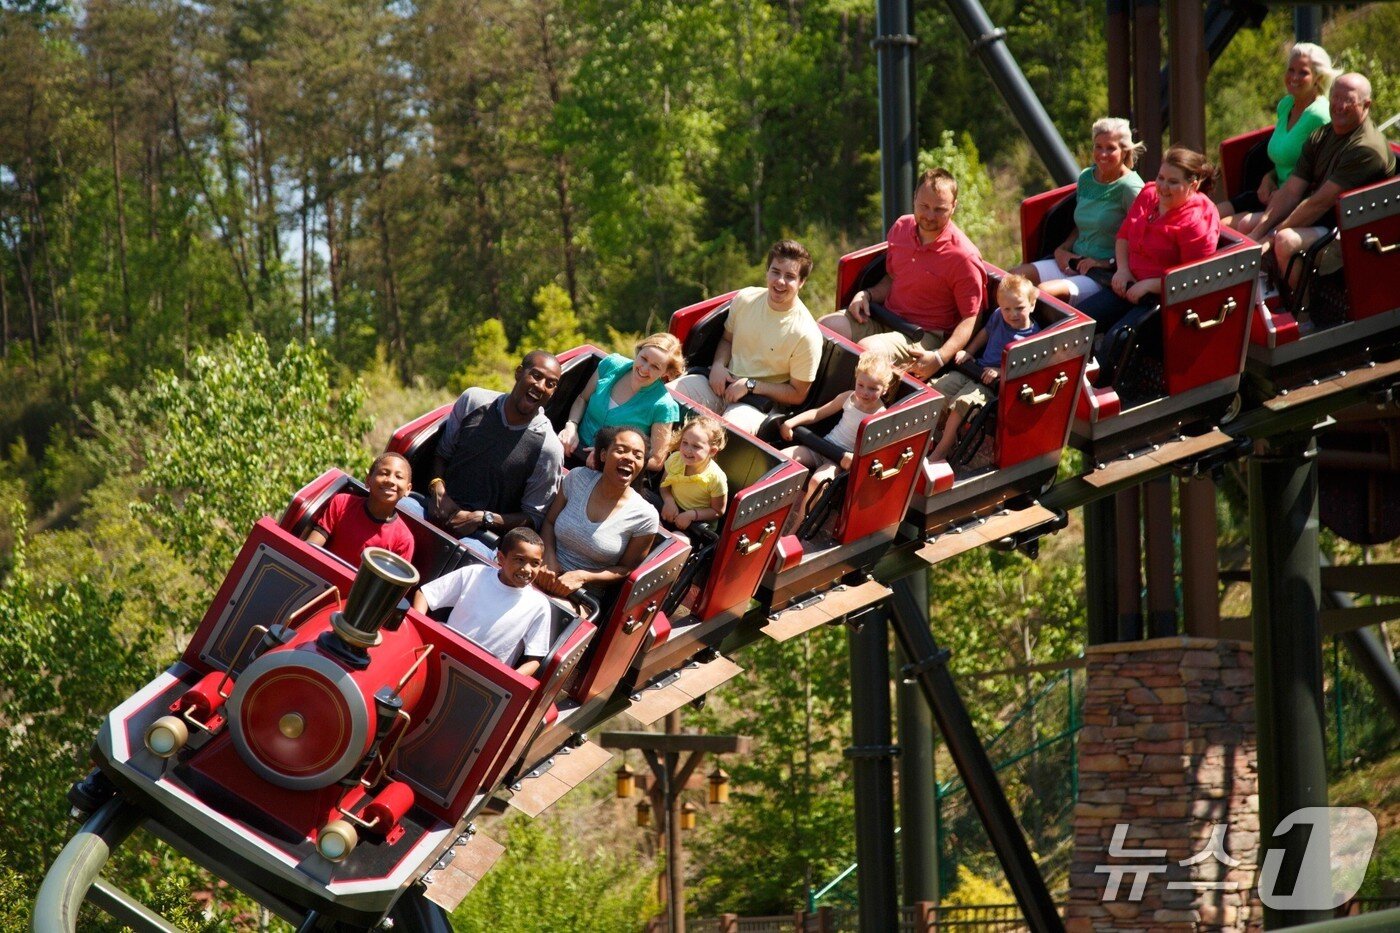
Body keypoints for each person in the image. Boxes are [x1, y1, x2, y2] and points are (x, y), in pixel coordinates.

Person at [819, 168, 986, 379]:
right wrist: (866, 295)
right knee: (825, 328)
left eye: (939, 209)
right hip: (887, 317)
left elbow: (972, 317)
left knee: (867, 352)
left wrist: (939, 357)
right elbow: (893, 277)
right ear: (914, 198)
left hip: (924, 335)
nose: (929, 216)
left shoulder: (964, 257)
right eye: (924, 206)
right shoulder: (901, 228)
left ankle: (847, 407)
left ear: (953, 207)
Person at [401, 351, 565, 552]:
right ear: (519, 373)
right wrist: (437, 488)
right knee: (401, 508)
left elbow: (533, 518)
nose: (540, 386)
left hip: (482, 539)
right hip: (435, 510)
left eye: (550, 384)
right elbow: (442, 453)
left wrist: (482, 519)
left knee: (470, 557)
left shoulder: (549, 448)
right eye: (536, 376)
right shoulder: (474, 401)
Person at [1248, 72, 1396, 290]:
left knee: (1285, 240)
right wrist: (1256, 235)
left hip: (1352, 233)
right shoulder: (1321, 135)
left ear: (1366, 105)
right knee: (1249, 225)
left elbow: (1320, 202)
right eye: (1335, 97)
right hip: (1323, 220)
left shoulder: (1365, 149)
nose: (1339, 105)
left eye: (1348, 100)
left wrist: (1272, 236)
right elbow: (1291, 191)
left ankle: (1303, 317)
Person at [669, 240, 822, 435]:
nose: (780, 281)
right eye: (775, 272)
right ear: (767, 272)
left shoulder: (806, 334)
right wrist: (718, 365)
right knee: (666, 398)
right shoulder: (746, 298)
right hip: (720, 383)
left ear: (801, 282)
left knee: (723, 434)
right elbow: (727, 339)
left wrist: (751, 386)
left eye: (790, 276)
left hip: (758, 404)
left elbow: (797, 394)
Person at [1077, 146, 1221, 332]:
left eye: (1173, 182)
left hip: (1163, 299)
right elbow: (1124, 236)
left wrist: (1150, 285)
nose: (1163, 187)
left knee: (1120, 337)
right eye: (1161, 178)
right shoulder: (1148, 194)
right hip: (1129, 282)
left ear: (1192, 186)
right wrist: (1122, 270)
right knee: (1081, 322)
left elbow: (1192, 279)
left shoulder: (1197, 222)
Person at [1012, 118, 1145, 306]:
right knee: (1012, 280)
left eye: (1111, 148)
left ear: (1125, 151)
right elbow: (1081, 225)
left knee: (1044, 295)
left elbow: (1141, 241)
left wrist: (1107, 263)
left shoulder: (1131, 189)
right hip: (1075, 260)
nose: (1103, 154)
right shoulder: (1086, 178)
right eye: (1098, 147)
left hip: (1102, 273)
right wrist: (1063, 249)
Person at [411, 527, 553, 677]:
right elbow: (425, 594)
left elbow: (535, 659)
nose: (527, 569)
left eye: (535, 563)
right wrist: (422, 633)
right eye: (519, 560)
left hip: (483, 678)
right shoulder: (474, 574)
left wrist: (507, 679)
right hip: (439, 653)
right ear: (501, 558)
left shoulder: (538, 605)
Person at [777, 352, 894, 534]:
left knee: (818, 481)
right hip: (824, 446)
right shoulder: (849, 397)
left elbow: (876, 452)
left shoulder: (880, 416)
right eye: (860, 385)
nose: (864, 392)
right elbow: (818, 413)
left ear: (884, 390)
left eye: (872, 389)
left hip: (839, 458)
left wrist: (854, 459)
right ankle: (776, 509)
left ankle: (796, 526)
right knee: (783, 459)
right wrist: (791, 422)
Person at [928, 275, 1042, 462]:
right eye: (1007, 309)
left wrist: (1000, 371)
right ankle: (936, 438)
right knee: (939, 388)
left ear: (1032, 304)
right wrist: (969, 352)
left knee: (962, 404)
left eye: (1019, 308)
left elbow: (1026, 368)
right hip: (976, 369)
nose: (1013, 314)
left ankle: (942, 450)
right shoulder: (999, 316)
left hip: (992, 385)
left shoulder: (1032, 337)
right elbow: (985, 333)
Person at [1221, 43, 1335, 230]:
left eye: (1303, 73)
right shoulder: (1286, 105)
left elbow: (1325, 176)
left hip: (1297, 202)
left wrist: (1286, 194)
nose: (1294, 78)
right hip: (1273, 192)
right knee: (1212, 216)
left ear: (1318, 78)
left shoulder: (1320, 116)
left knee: (1230, 227)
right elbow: (1285, 157)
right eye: (1291, 70)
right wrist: (1269, 177)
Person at [538, 425, 660, 598]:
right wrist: (547, 556)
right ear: (603, 455)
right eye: (621, 450)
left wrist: (584, 576)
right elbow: (549, 522)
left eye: (637, 455)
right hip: (543, 571)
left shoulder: (645, 516)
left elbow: (626, 569)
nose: (629, 458)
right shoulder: (577, 478)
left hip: (582, 595)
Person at [559, 333, 683, 472]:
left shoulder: (664, 406)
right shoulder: (611, 364)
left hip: (609, 472)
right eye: (643, 359)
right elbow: (582, 399)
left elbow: (657, 461)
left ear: (666, 373)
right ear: (638, 351)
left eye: (655, 367)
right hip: (571, 449)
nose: (644, 368)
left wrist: (613, 455)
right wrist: (571, 426)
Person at [305, 453, 415, 566]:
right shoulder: (342, 503)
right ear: (368, 480)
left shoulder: (404, 539)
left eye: (399, 477)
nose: (391, 480)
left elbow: (391, 582)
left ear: (408, 489)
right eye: (384, 473)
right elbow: (311, 547)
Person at [659, 416, 729, 540]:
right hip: (671, 509)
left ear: (712, 451)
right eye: (684, 443)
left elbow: (718, 511)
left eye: (696, 446)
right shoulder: (675, 459)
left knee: (677, 541)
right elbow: (664, 486)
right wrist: (669, 501)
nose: (687, 450)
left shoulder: (716, 478)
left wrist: (692, 515)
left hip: (696, 525)